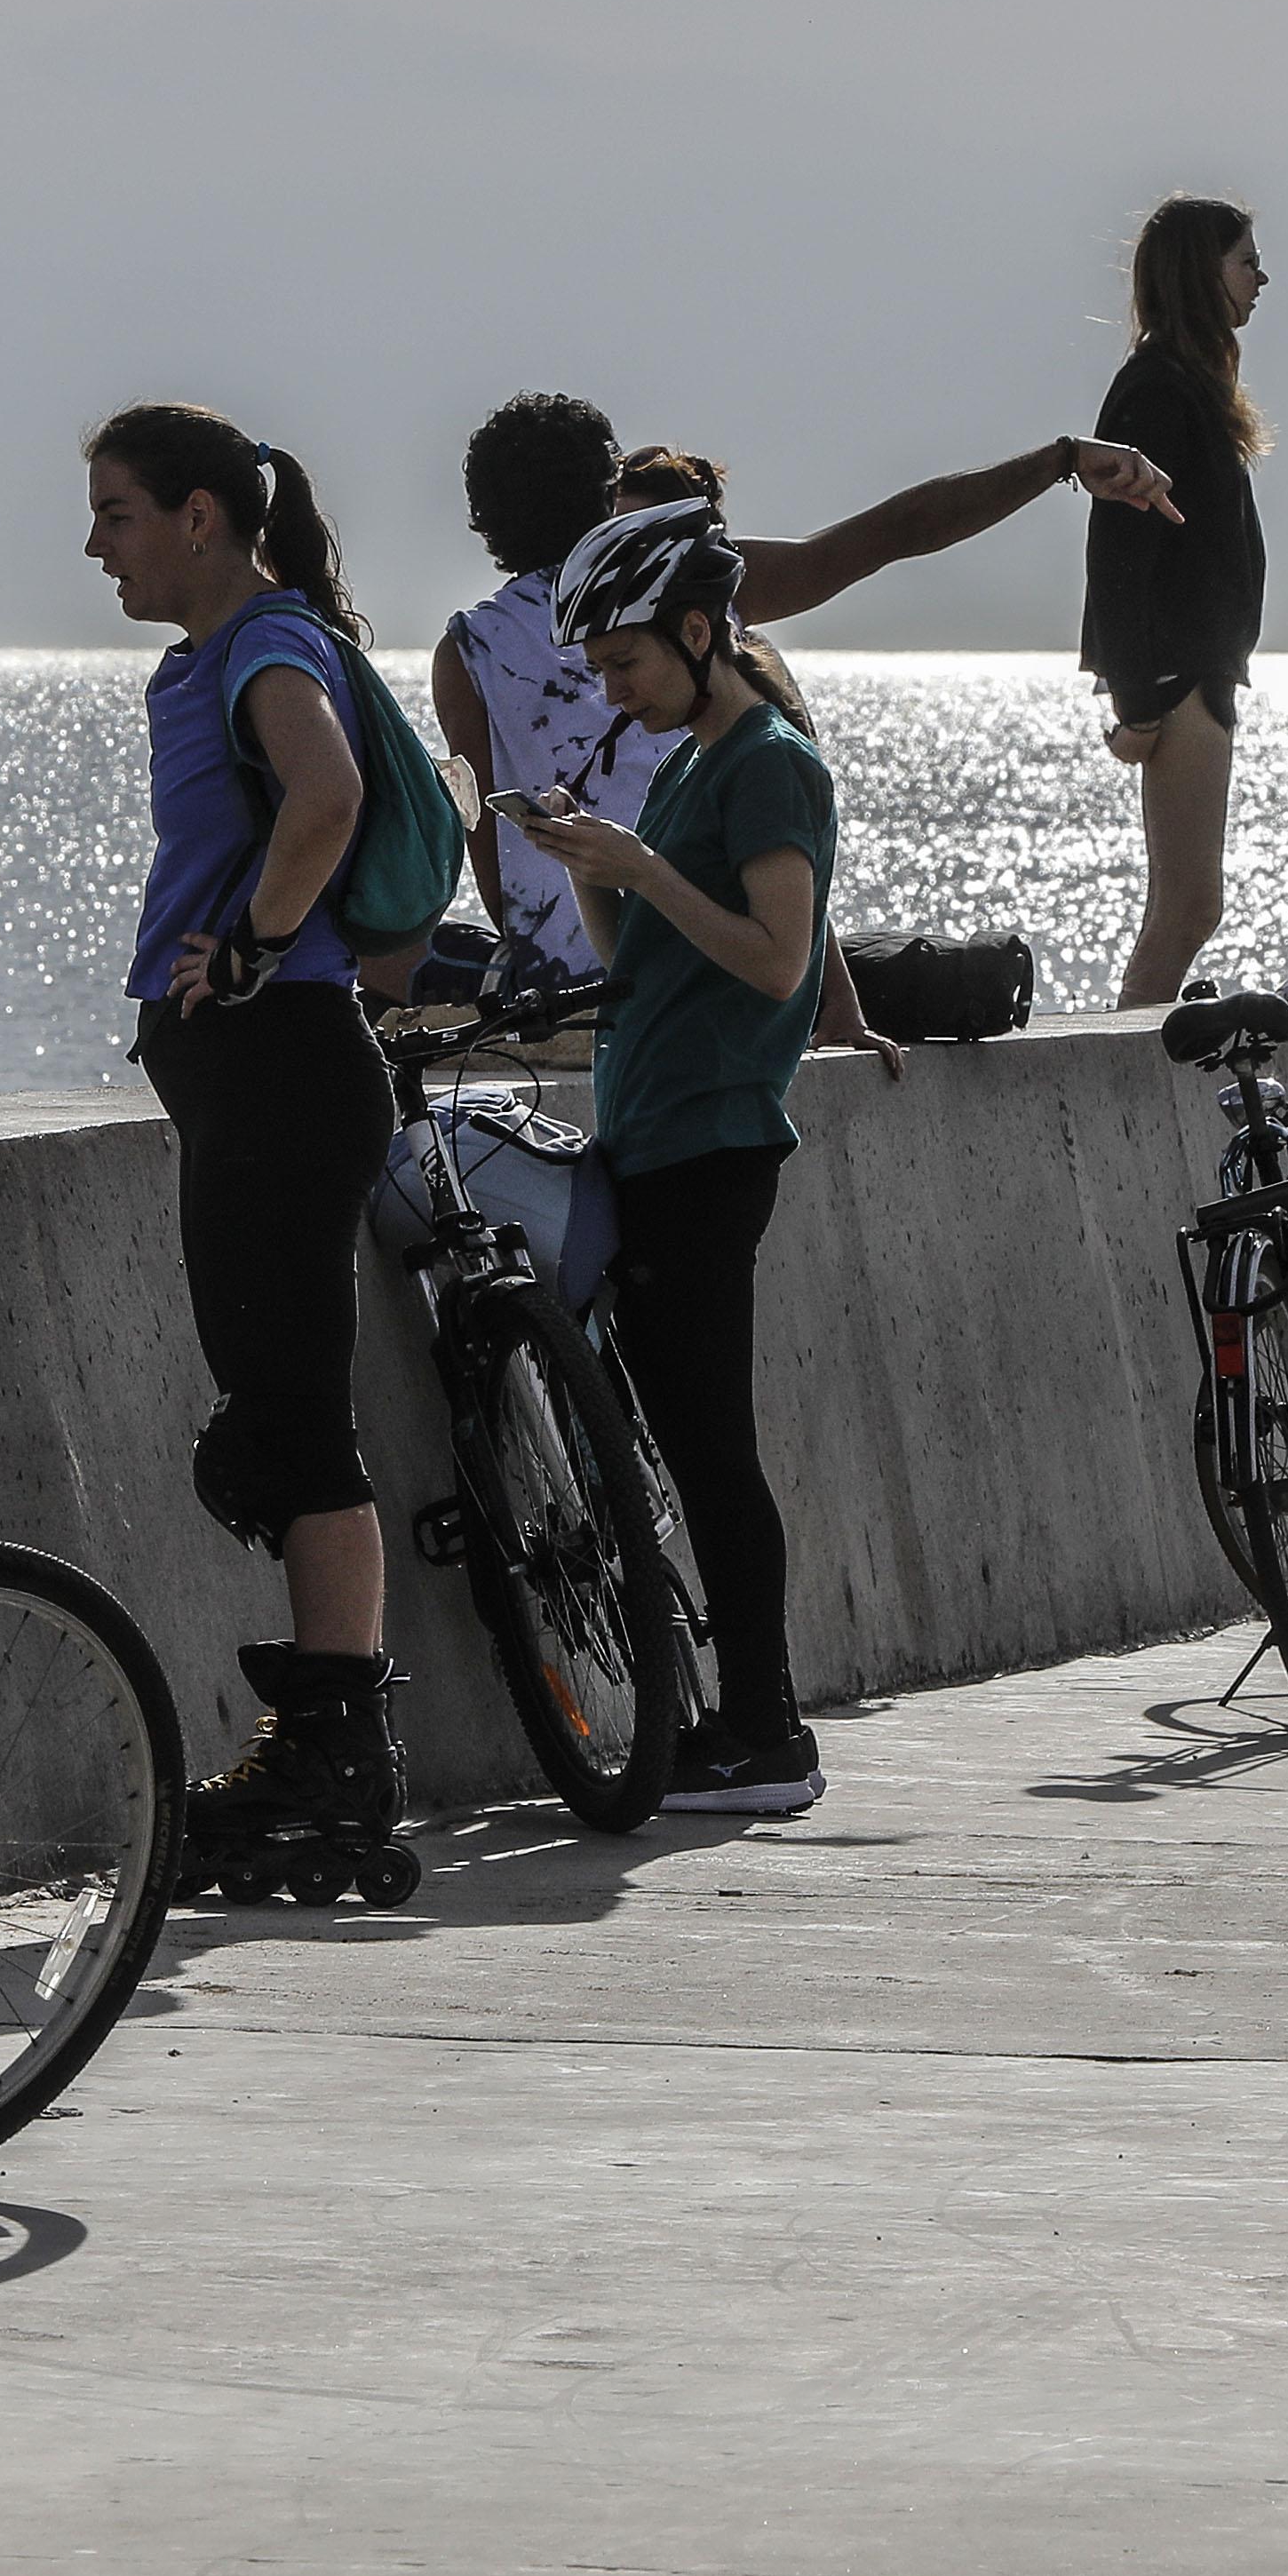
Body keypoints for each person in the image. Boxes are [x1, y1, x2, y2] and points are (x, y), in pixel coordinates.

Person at [82, 405, 412, 1891]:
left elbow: (327, 795)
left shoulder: (266, 647)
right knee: (283, 1404)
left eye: (118, 514)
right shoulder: (222, 655)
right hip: (257, 1079)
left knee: (296, 1418)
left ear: (200, 517)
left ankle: (333, 1760)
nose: (97, 545)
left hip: (280, 1071)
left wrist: (255, 950)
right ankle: (326, 1752)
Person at [429, 400, 1173, 993]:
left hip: (572, 982)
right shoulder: (688, 582)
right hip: (724, 960)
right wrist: (1061, 461)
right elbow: (891, 534)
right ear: (607, 496)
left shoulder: (466, 652)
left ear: (485, 522)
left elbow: (495, 866)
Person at [509, 498, 842, 1812]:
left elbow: (775, 963)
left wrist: (640, 865)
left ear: (702, 632)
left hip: (711, 1143)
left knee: (711, 1446)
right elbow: (637, 963)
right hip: (655, 1135)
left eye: (626, 661)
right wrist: (590, 863)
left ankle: (766, 1731)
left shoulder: (766, 761)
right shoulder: (693, 762)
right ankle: (741, 1719)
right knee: (685, 1440)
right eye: (596, 669)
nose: (612, 686)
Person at [1086, 197, 1271, 1009]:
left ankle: (1128, 1060)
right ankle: (1122, 1070)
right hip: (1178, 680)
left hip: (1200, 674)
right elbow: (1119, 552)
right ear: (1204, 274)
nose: (1262, 276)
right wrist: (1138, 699)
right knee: (1191, 907)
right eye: (1245, 261)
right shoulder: (1159, 386)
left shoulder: (1193, 381)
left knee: (1186, 906)